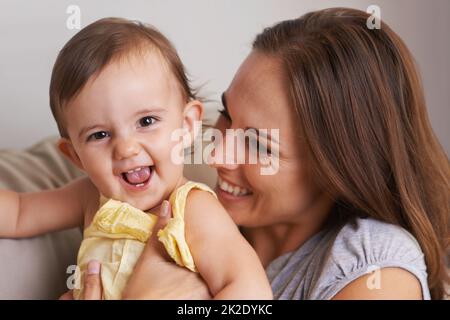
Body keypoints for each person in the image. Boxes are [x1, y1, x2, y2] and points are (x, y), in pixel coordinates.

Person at [73, 7, 449, 300]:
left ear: (336, 168)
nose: (218, 155)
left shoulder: (374, 266)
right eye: (227, 115)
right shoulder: (180, 208)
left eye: (258, 143)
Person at [0, 17, 272, 300]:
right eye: (100, 135)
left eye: (146, 121)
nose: (126, 148)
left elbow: (253, 294)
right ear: (75, 156)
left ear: (187, 126)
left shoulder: (193, 210)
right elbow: (20, 212)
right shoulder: (91, 197)